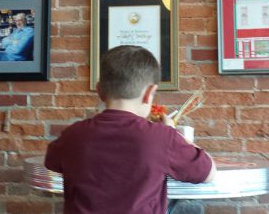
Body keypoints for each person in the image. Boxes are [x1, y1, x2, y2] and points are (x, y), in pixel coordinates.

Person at [45, 45, 216, 214]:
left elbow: (51, 162)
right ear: (150, 93)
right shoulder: (162, 137)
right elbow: (208, 172)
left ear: (99, 91)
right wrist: (174, 132)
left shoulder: (73, 135)